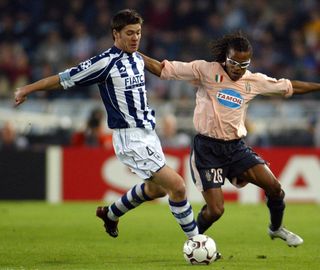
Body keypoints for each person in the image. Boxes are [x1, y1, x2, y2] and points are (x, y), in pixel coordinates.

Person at [14, 9, 199, 239]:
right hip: (130, 137)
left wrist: (198, 75)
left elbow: (162, 70)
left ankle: (111, 214)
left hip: (149, 133)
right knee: (178, 186)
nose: (135, 38)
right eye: (130, 33)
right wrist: (27, 89)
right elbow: (64, 79)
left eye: (138, 33)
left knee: (157, 189)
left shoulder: (137, 58)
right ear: (116, 34)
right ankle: (197, 242)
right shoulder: (104, 63)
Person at [140, 31, 320, 247]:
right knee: (216, 210)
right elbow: (163, 69)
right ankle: (195, 243)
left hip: (236, 148)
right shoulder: (205, 70)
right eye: (234, 62)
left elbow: (289, 86)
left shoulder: (253, 81)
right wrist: (133, 54)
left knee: (275, 188)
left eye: (244, 64)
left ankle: (276, 228)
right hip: (207, 149)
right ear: (225, 57)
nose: (238, 68)